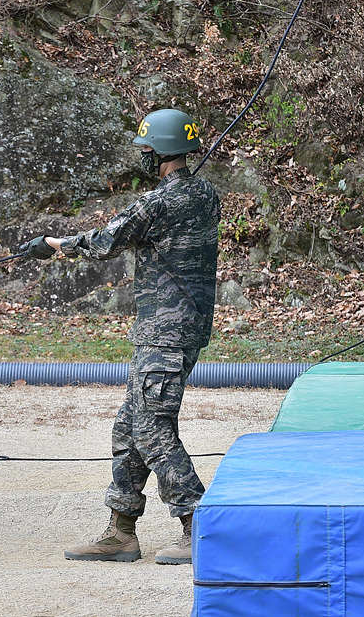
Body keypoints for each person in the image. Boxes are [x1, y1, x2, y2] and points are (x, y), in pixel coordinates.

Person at [20, 108, 220, 566]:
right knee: (128, 428)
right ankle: (121, 531)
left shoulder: (157, 203)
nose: (143, 156)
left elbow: (105, 240)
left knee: (151, 429)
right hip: (175, 330)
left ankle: (199, 524)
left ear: (160, 152)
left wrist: (51, 245)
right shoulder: (204, 193)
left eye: (147, 150)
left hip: (165, 333)